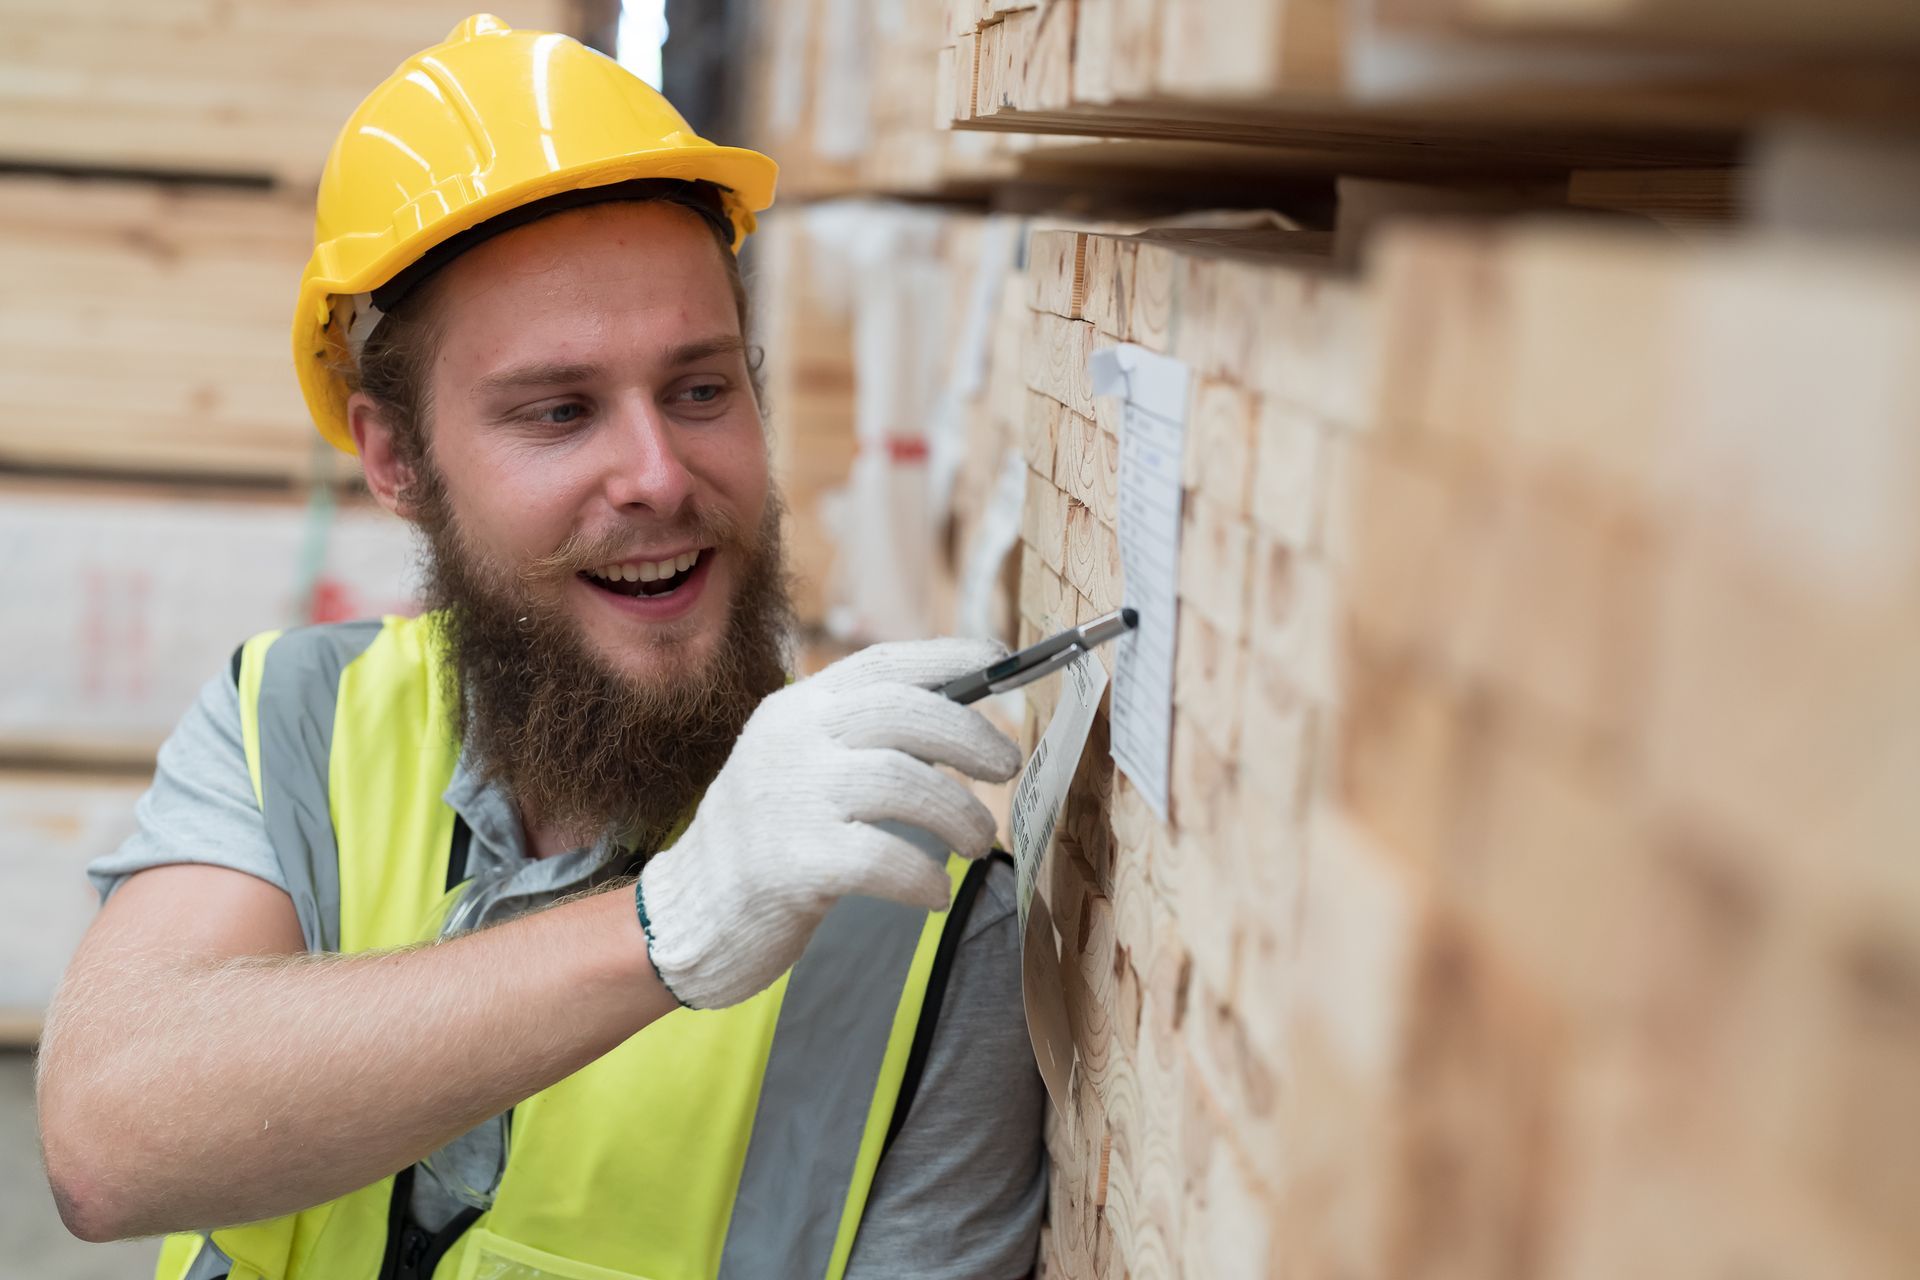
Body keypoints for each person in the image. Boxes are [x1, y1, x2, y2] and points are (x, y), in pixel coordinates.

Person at [35, 15, 1046, 1280]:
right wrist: (674, 925)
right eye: (560, 411)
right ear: (396, 459)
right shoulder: (293, 719)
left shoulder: (920, 925)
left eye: (701, 388)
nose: (659, 474)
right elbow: (106, 1140)